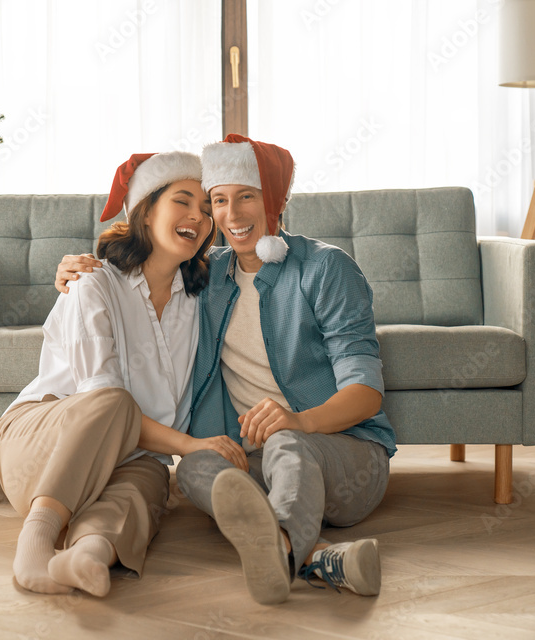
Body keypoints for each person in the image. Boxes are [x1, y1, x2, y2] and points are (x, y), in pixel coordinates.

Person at [55, 135, 396, 605]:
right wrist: (76, 268)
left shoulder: (326, 268)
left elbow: (366, 391)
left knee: (286, 443)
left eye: (247, 197)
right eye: (219, 201)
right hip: (249, 458)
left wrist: (298, 421)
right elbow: (140, 265)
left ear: (273, 200)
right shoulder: (207, 275)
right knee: (194, 467)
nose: (232, 216)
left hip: (344, 456)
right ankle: (316, 557)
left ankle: (276, 548)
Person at [0, 151, 244, 597]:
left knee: (146, 487)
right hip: (41, 444)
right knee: (114, 401)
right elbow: (102, 400)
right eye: (182, 202)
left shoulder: (202, 296)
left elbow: (255, 253)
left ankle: (86, 556)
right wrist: (191, 445)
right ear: (145, 213)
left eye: (207, 210)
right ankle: (36, 542)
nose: (198, 217)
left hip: (133, 456)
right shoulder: (93, 283)